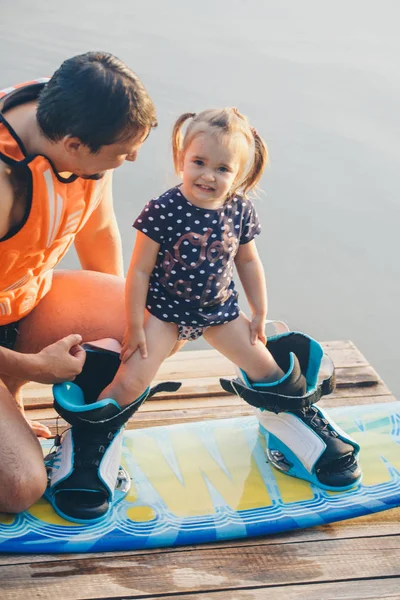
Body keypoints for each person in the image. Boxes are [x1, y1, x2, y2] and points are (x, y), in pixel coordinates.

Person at [46, 108, 361, 524]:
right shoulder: (163, 209)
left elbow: (248, 261)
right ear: (181, 159)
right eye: (198, 163)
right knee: (132, 377)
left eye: (222, 168)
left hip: (220, 312)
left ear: (240, 175)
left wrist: (259, 310)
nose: (208, 176)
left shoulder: (239, 209)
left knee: (266, 366)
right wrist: (136, 325)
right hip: (163, 313)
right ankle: (89, 438)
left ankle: (291, 418)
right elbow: (138, 270)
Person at [0, 51, 160, 514]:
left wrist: (109, 348)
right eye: (122, 153)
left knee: (146, 323)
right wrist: (37, 368)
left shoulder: (78, 113)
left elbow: (99, 232)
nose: (132, 158)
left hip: (21, 303)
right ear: (72, 145)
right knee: (19, 488)